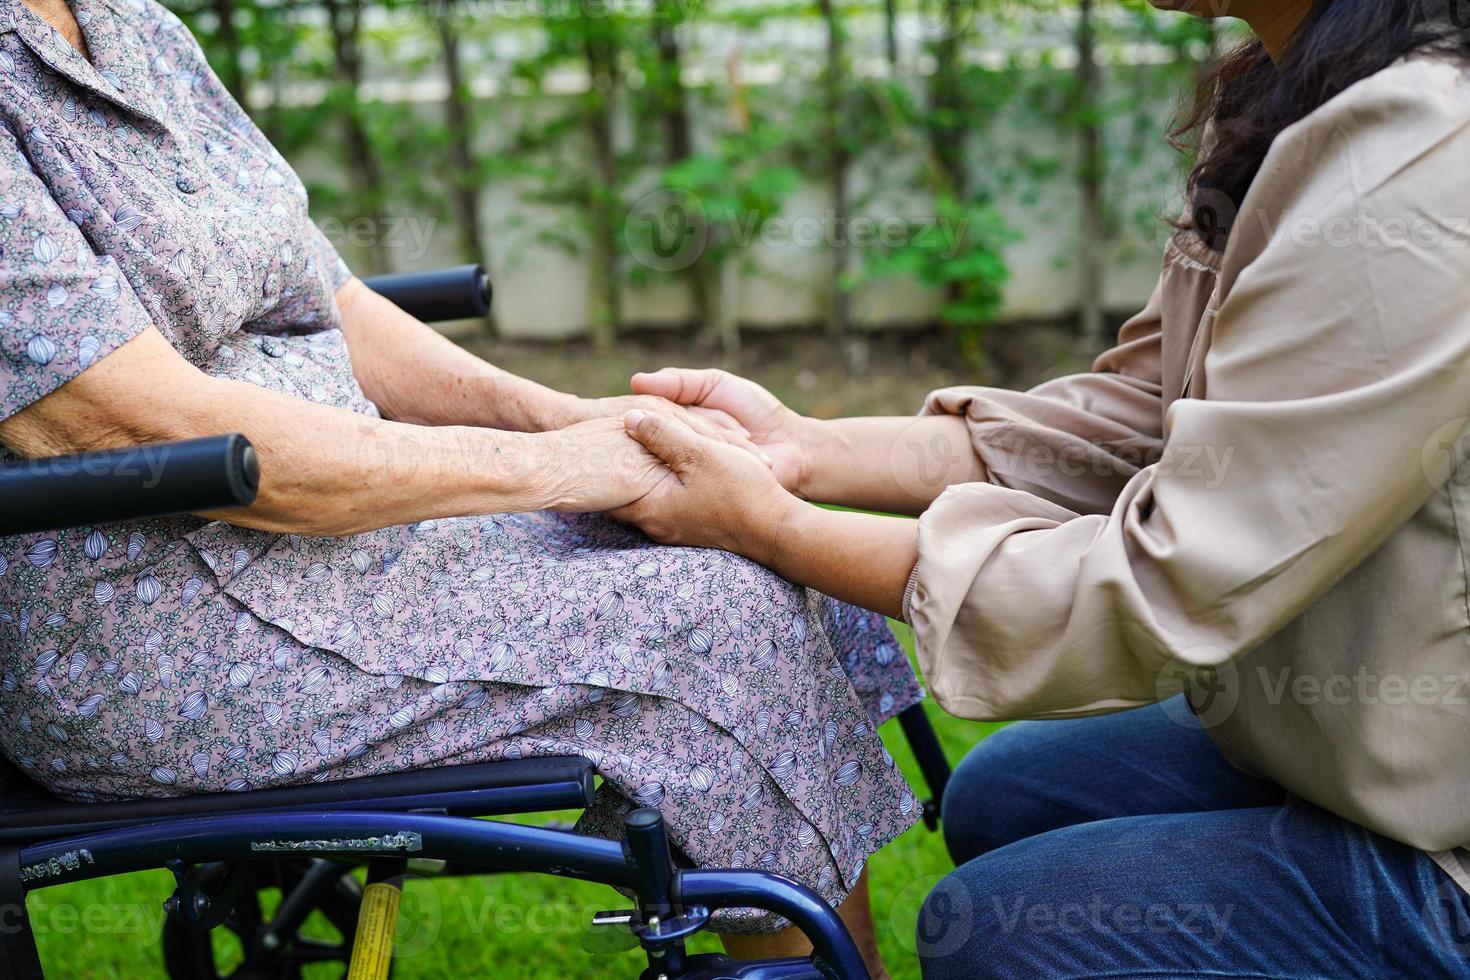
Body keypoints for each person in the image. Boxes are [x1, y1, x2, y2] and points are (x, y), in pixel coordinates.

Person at [0, 0, 924, 968]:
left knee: (723, 522)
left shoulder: (129, 21)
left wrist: (590, 423)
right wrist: (559, 469)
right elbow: (153, 424)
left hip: (333, 537)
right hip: (165, 625)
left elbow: (331, 300)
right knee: (717, 619)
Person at [612, 0, 1470, 974]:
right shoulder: (1303, 89)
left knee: (995, 926)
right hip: (1361, 737)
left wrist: (775, 528)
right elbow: (1145, 419)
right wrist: (804, 450)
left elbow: (1172, 578)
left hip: (1447, 835)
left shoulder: (1415, 160)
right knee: (1006, 796)